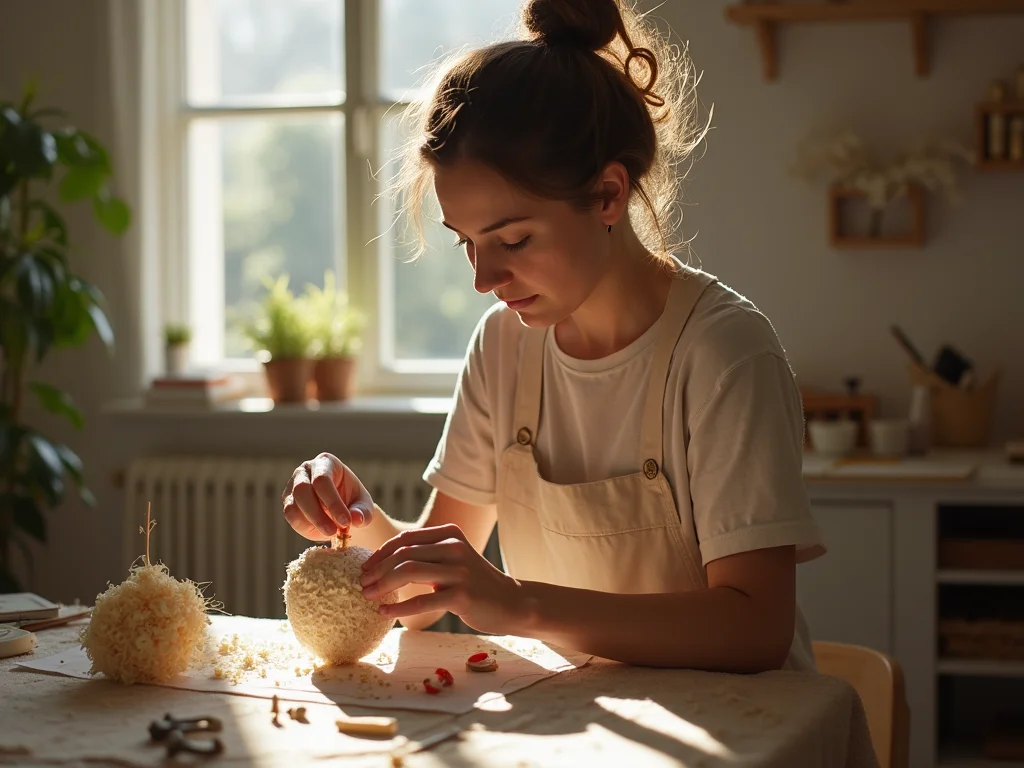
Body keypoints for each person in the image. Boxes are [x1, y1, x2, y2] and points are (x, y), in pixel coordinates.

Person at [281, 0, 825, 673]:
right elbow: (422, 601)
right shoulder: (504, 348)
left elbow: (755, 626)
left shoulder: (722, 352)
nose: (485, 278)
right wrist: (356, 513)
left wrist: (521, 606)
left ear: (606, 195)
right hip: (575, 723)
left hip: (741, 729)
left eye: (513, 239)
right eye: (468, 245)